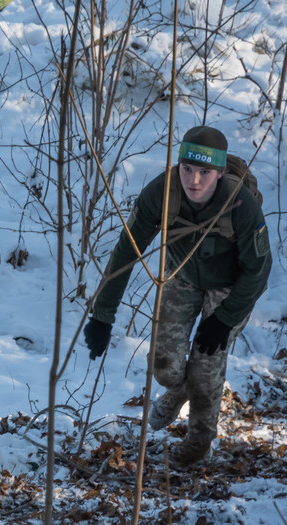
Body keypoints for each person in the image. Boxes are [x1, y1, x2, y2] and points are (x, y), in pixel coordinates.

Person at [83, 125, 271, 465]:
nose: (194, 181)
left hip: (232, 287)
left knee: (205, 366)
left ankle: (198, 444)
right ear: (178, 166)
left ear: (218, 172)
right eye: (187, 169)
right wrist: (102, 315)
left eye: (204, 172)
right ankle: (178, 389)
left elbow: (258, 271)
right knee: (165, 367)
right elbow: (127, 251)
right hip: (183, 276)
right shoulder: (162, 192)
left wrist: (224, 319)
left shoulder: (240, 204)